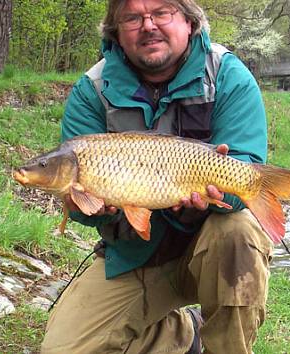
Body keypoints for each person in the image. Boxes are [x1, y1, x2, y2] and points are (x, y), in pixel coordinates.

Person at [41, 0, 272, 353]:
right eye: (132, 17)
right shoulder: (93, 89)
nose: (148, 25)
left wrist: (210, 199)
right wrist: (88, 206)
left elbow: (243, 182)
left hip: (211, 248)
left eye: (162, 12)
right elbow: (78, 209)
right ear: (116, 31)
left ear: (190, 22)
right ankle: (182, 334)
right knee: (64, 350)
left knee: (239, 229)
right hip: (135, 254)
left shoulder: (226, 75)